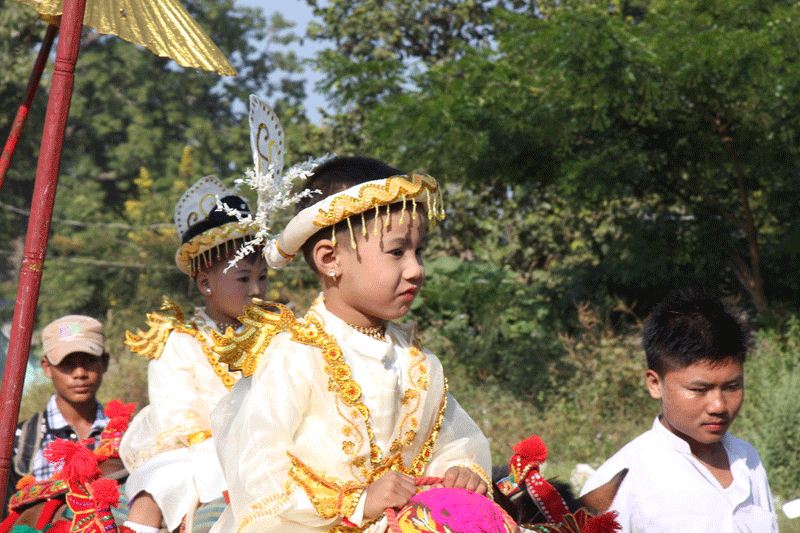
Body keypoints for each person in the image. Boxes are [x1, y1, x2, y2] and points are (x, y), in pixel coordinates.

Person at [210, 156, 492, 533]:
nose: (416, 269)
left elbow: (455, 441)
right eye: (397, 252)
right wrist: (357, 502)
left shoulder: (418, 360)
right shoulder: (296, 354)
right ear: (330, 259)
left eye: (419, 251)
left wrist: (459, 470)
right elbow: (258, 471)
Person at [119, 175, 268, 533]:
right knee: (154, 491)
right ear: (205, 284)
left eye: (263, 277)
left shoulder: (278, 334)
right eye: (244, 279)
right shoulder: (180, 341)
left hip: (268, 446)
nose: (257, 290)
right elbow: (179, 417)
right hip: (197, 453)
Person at [578, 287, 778, 533]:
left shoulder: (747, 459)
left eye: (732, 387)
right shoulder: (620, 482)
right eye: (699, 389)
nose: (718, 406)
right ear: (655, 384)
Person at [6, 315, 110, 504]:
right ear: (47, 367)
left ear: (105, 362)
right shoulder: (20, 443)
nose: (80, 373)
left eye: (89, 361)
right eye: (67, 363)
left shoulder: (128, 436)